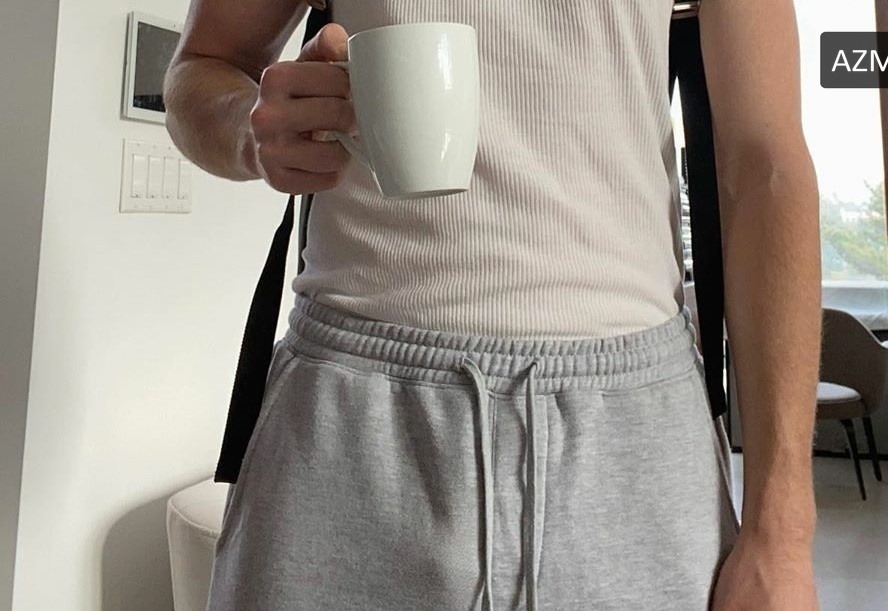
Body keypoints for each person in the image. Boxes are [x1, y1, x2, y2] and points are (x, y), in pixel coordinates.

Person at [164, 0, 821, 609]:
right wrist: (251, 132)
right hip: (348, 425)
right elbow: (201, 68)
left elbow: (765, 165)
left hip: (633, 440)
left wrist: (784, 535)